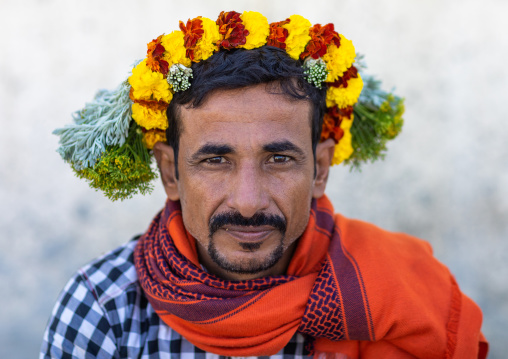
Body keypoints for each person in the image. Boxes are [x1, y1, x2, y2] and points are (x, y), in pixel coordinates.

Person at [42, 11, 488, 359]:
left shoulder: (410, 294)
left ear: (320, 169)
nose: (249, 202)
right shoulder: (105, 307)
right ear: (171, 173)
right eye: (216, 160)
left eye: (278, 159)